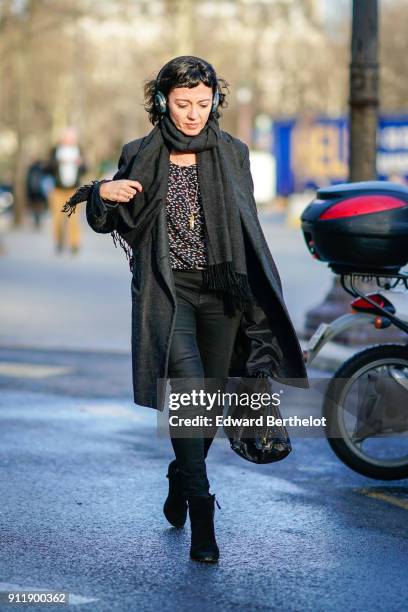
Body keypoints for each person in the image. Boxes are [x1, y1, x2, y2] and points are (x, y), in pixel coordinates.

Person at [62, 56, 308, 563]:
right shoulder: (140, 153)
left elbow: (248, 229)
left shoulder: (233, 153)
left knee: (206, 408)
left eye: (203, 102)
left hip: (224, 296)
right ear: (162, 102)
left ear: (216, 99)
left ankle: (180, 476)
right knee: (189, 396)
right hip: (167, 293)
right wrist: (102, 193)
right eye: (182, 104)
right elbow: (110, 220)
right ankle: (202, 512)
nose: (194, 114)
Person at [47, 127, 87, 254]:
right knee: (57, 218)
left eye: (72, 138)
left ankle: (74, 244)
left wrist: (80, 164)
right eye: (67, 138)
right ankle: (58, 242)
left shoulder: (79, 150)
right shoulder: (55, 150)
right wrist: (58, 162)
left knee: (73, 218)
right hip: (57, 189)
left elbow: (85, 168)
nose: (69, 140)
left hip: (73, 189)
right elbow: (47, 167)